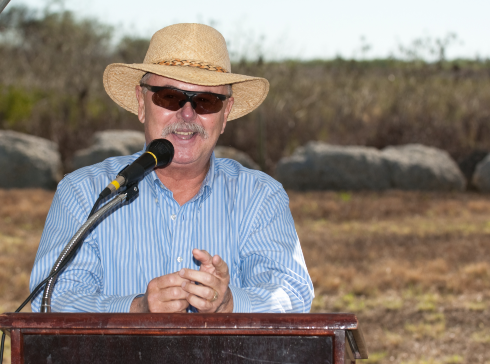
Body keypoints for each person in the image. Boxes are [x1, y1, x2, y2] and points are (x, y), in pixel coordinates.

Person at [29, 23, 313, 313]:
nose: (187, 113)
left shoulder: (261, 196)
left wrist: (230, 303)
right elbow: (52, 300)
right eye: (169, 97)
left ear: (225, 114)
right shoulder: (85, 192)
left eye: (206, 101)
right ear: (142, 103)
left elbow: (293, 293)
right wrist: (136, 309)